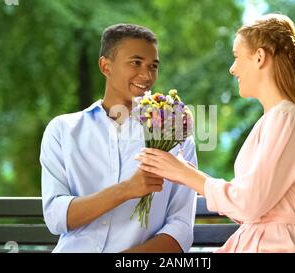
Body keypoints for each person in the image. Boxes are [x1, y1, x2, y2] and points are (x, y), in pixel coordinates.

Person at [136, 14, 295, 253]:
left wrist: (188, 176)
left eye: (237, 57)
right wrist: (187, 174)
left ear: (260, 57)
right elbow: (255, 208)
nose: (232, 69)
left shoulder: (285, 117)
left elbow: (250, 204)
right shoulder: (276, 118)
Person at [40, 24, 197, 253]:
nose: (146, 75)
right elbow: (56, 217)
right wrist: (126, 190)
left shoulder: (175, 136)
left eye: (153, 66)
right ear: (106, 66)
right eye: (136, 63)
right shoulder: (63, 130)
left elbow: (181, 228)